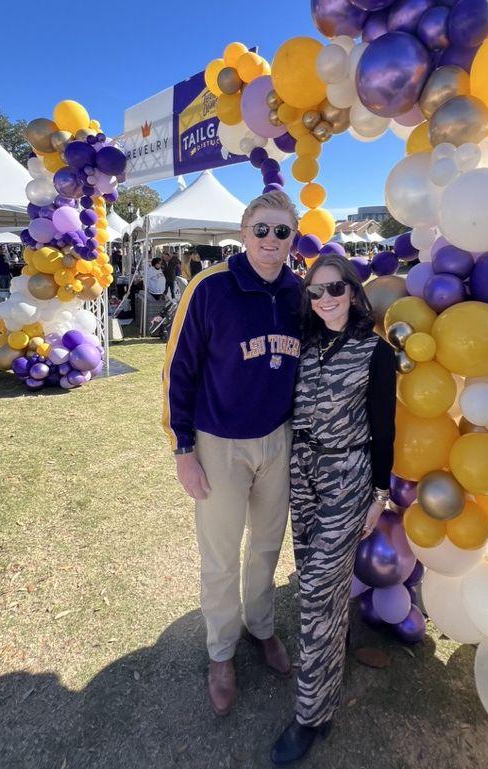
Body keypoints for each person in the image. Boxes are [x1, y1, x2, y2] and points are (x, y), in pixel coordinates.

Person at [162, 190, 302, 717]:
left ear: (293, 237)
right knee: (220, 555)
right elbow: (178, 368)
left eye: (281, 231)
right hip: (219, 440)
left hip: (278, 438)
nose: (270, 241)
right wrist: (182, 447)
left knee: (267, 544)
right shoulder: (210, 286)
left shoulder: (299, 292)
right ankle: (220, 651)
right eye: (261, 230)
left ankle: (261, 627)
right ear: (243, 234)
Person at [270, 253, 396, 765]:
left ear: (352, 291)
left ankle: (311, 714)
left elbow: (385, 428)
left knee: (319, 589)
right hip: (301, 473)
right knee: (312, 577)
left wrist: (379, 494)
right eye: (315, 292)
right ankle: (332, 646)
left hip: (348, 477)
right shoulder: (305, 345)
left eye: (334, 290)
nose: (325, 300)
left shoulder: (376, 353)